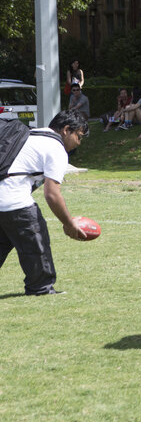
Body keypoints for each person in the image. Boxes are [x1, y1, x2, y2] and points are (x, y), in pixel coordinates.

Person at [0, 110, 89, 295]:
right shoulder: (56, 147)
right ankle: (41, 288)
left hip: (5, 197)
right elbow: (52, 194)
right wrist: (68, 223)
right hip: (14, 200)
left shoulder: (32, 133)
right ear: (66, 130)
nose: (78, 144)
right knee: (36, 242)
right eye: (79, 137)